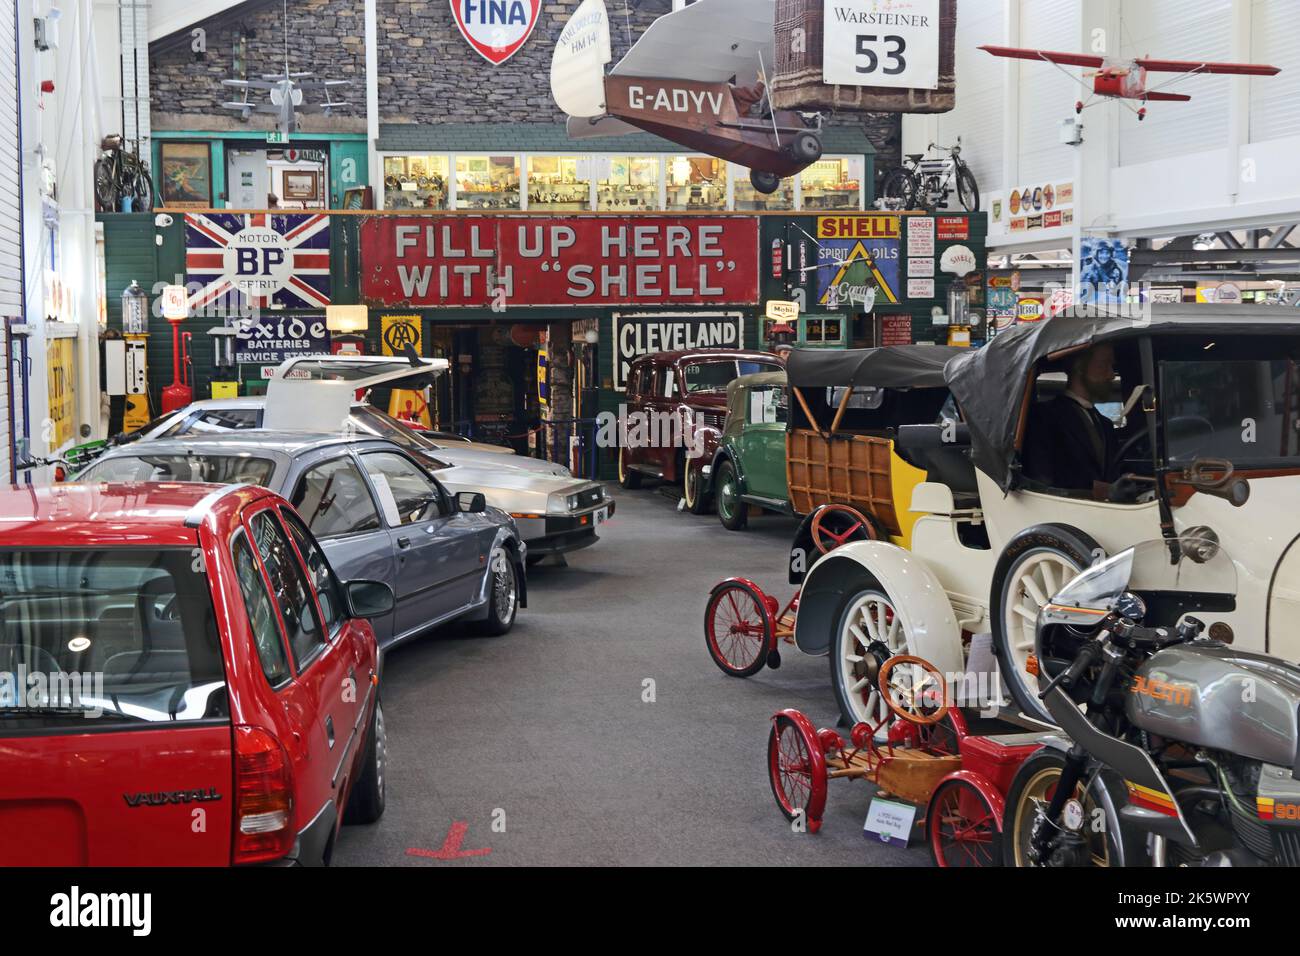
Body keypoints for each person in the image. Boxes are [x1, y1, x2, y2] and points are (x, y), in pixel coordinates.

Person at [1021, 343, 1118, 493]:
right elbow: (1044, 478)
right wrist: (1103, 490)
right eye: (1103, 364)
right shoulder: (1044, 417)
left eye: (1111, 366)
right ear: (1079, 367)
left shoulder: (1105, 425)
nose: (1111, 374)